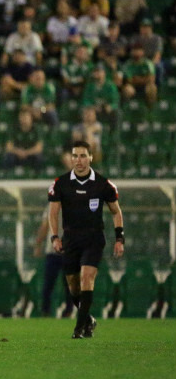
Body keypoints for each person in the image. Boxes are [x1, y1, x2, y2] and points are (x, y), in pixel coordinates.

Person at [48, 141, 124, 338]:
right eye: (75, 156)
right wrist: (55, 237)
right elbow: (53, 213)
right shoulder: (61, 183)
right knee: (73, 285)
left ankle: (79, 328)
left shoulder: (103, 184)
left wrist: (119, 238)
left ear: (91, 157)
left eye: (83, 156)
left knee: (86, 278)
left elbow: (116, 212)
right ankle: (88, 319)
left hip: (93, 238)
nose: (79, 160)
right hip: (70, 239)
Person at [33, 151, 75, 317]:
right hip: (56, 250)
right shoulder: (53, 206)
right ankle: (50, 310)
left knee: (63, 283)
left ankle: (61, 310)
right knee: (54, 283)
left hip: (66, 249)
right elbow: (44, 226)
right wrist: (38, 244)